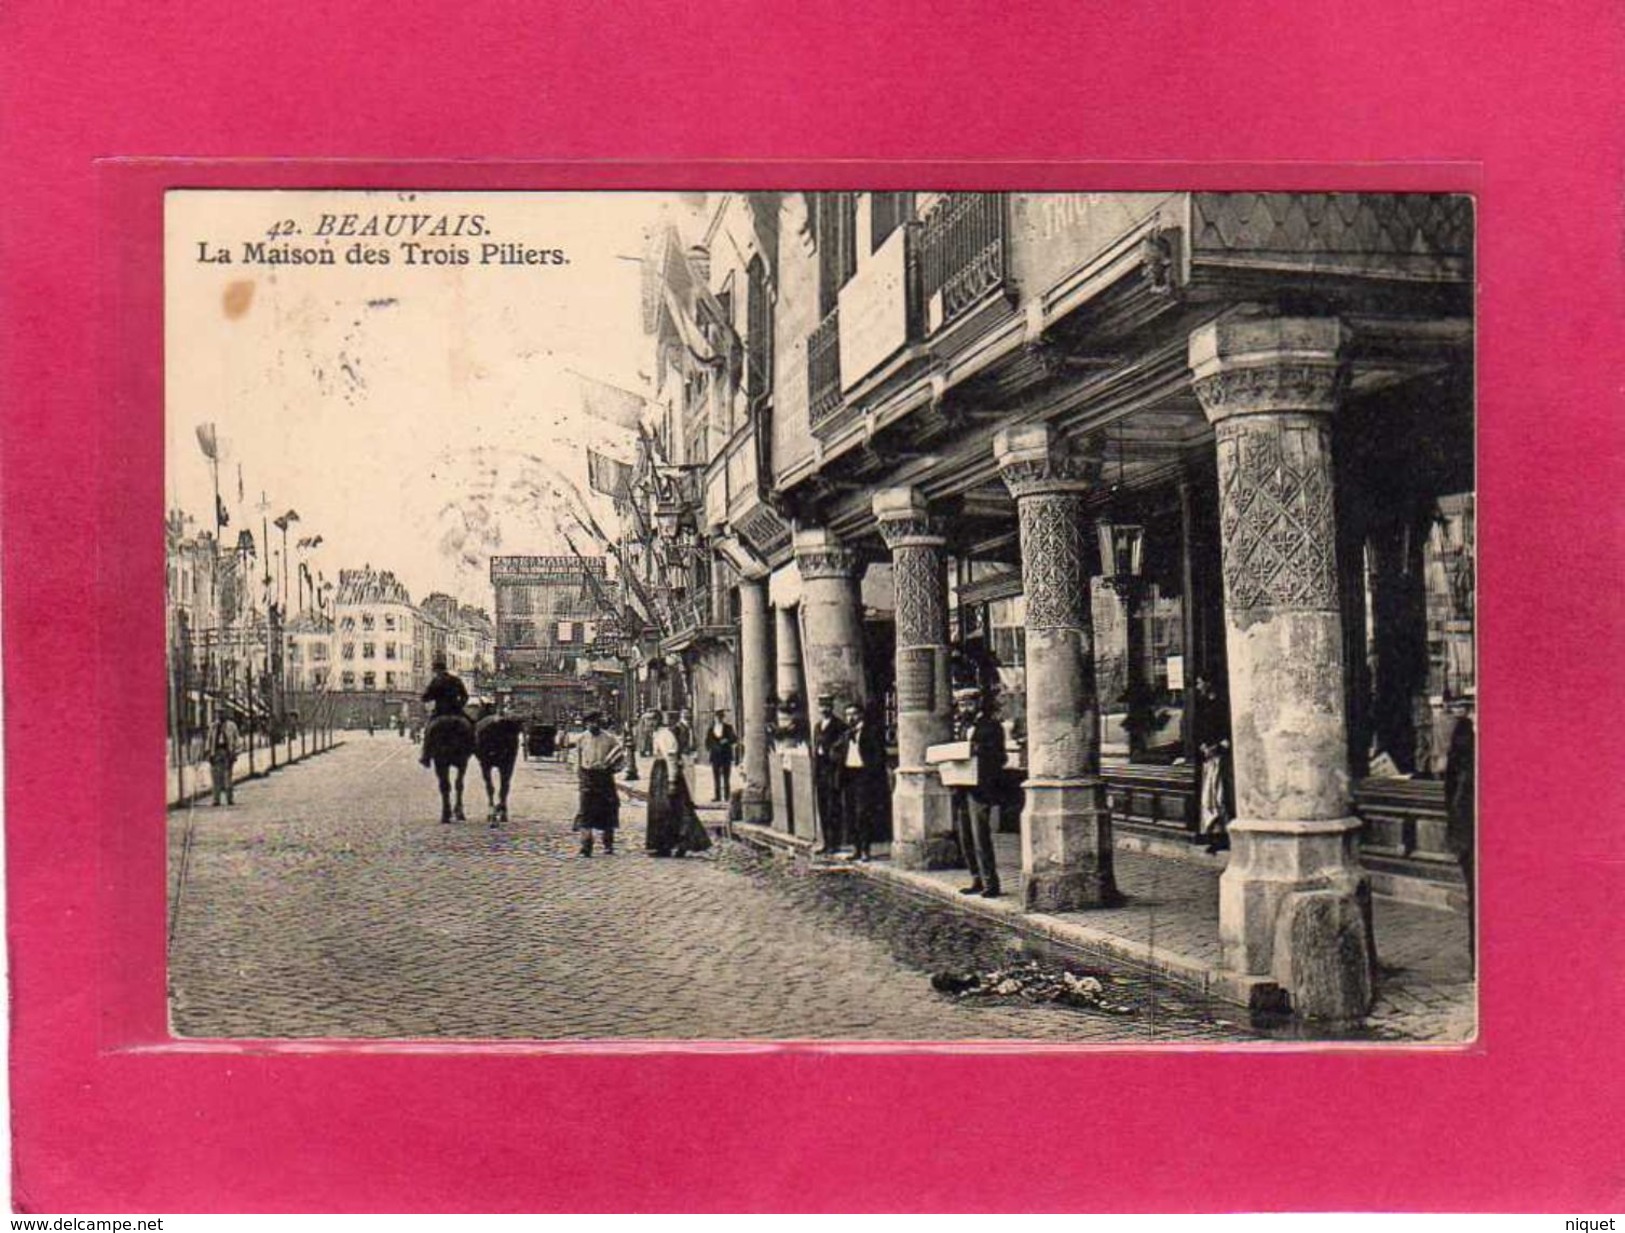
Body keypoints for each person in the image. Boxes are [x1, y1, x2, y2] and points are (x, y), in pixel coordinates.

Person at [952, 686, 1006, 897]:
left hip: (980, 788)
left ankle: (990, 883)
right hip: (961, 786)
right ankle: (975, 878)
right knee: (965, 837)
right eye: (962, 704)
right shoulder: (962, 727)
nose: (966, 708)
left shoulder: (991, 726)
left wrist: (979, 752)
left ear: (978, 703)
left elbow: (1000, 757)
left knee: (980, 837)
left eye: (969, 704)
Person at [1444, 693, 1476, 970]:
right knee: (1477, 895)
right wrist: (1455, 831)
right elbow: (1451, 785)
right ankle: (1478, 960)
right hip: (1470, 831)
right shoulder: (1463, 733)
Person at [838, 699, 887, 862]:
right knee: (851, 813)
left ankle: (866, 849)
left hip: (864, 776)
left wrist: (871, 773)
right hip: (849, 776)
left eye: (853, 714)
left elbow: (879, 756)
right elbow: (836, 751)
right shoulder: (846, 735)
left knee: (863, 814)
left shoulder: (871, 732)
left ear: (861, 715)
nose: (850, 718)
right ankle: (857, 849)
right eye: (847, 715)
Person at [573, 711, 624, 857]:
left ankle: (608, 844)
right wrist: (581, 777)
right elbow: (576, 760)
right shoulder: (581, 739)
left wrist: (612, 768)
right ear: (586, 723)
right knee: (586, 812)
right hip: (588, 777)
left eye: (596, 721)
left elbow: (620, 759)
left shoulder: (609, 738)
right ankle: (586, 846)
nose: (593, 725)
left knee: (609, 810)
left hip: (605, 778)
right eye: (590, 722)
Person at [811, 694, 848, 855]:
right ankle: (826, 842)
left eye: (826, 706)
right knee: (823, 807)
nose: (823, 709)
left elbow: (842, 748)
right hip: (820, 772)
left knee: (834, 808)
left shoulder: (839, 725)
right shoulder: (818, 726)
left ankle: (835, 843)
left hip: (832, 771)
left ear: (831, 707)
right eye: (821, 706)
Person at [419, 653, 469, 767]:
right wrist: (460, 705)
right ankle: (474, 747)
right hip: (456, 711)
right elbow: (465, 696)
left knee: (429, 730)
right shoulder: (456, 680)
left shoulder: (436, 681)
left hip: (440, 712)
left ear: (436, 670)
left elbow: (426, 697)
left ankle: (426, 756)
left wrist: (426, 698)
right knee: (471, 725)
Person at [207, 711, 242, 807]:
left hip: (227, 752)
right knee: (215, 777)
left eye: (222, 713)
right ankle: (216, 799)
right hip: (216, 752)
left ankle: (229, 799)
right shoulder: (213, 726)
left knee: (227, 777)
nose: (220, 715)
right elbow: (209, 740)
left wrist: (235, 752)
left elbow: (237, 739)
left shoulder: (232, 726)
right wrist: (209, 753)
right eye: (218, 713)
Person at [704, 708, 738, 803]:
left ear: (723, 718)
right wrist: (711, 747)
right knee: (716, 776)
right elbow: (707, 742)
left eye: (720, 717)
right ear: (714, 718)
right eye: (717, 717)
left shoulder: (728, 727)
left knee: (726, 776)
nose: (719, 718)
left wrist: (727, 740)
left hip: (726, 755)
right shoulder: (711, 729)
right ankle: (717, 796)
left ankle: (727, 796)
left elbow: (734, 738)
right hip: (715, 756)